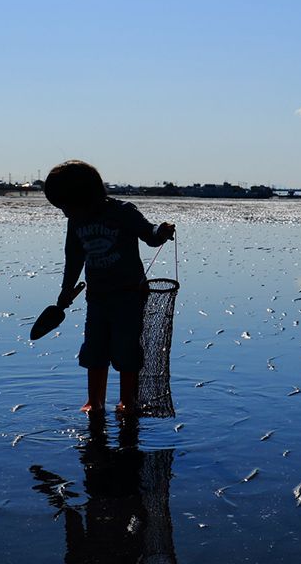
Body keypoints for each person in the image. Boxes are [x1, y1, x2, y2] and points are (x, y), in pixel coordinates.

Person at [44, 160, 175, 414]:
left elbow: (149, 234)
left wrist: (161, 231)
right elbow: (73, 258)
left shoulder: (123, 212)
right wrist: (65, 291)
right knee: (95, 350)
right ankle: (95, 401)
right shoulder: (76, 222)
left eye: (66, 206)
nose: (65, 213)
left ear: (85, 196)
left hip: (129, 296)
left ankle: (128, 400)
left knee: (127, 350)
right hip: (97, 297)